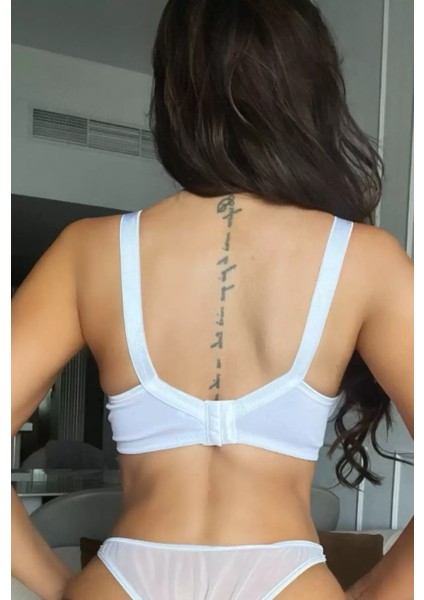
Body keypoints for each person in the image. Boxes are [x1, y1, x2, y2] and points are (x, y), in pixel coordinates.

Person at [11, 1, 413, 599]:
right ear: (312, 89)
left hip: (125, 579)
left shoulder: (86, 252)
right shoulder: (365, 259)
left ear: (174, 92)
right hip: (287, 581)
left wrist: (63, 588)